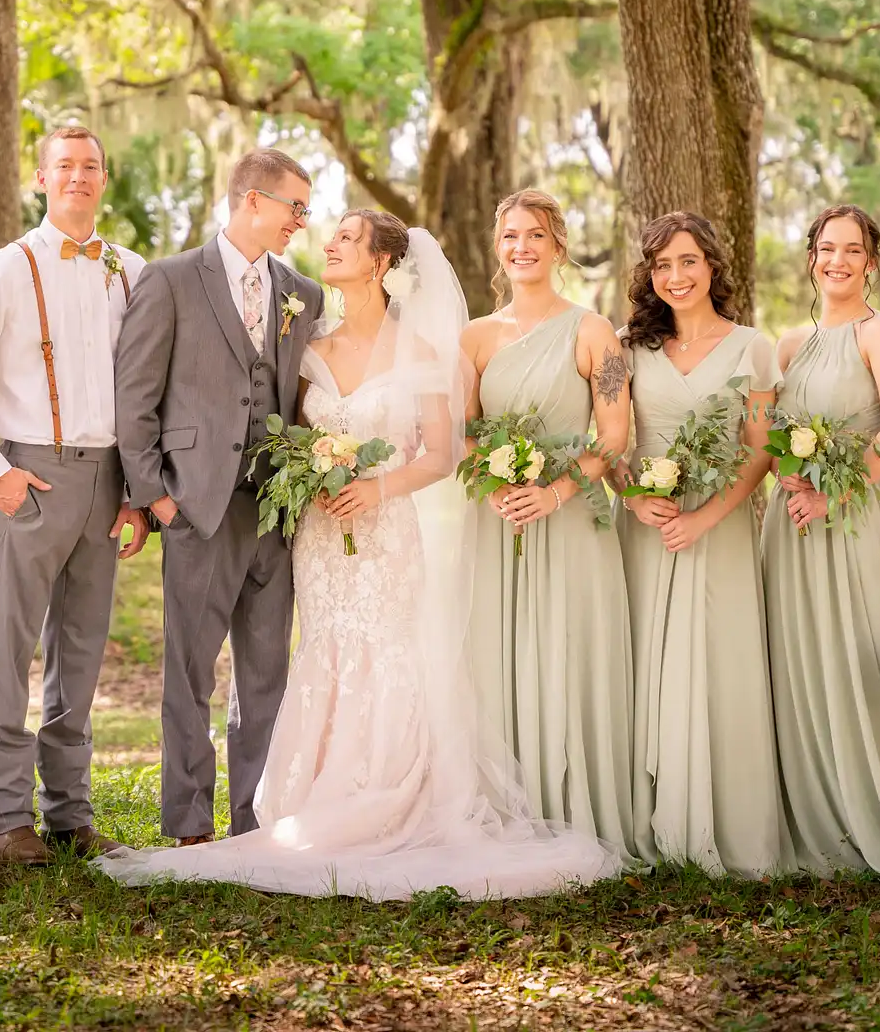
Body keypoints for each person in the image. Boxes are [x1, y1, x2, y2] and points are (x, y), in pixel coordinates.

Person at [94, 215, 620, 899]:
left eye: (347, 238)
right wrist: (311, 478)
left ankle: (390, 794)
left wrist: (376, 488)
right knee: (326, 650)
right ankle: (313, 798)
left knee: (388, 651)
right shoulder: (304, 342)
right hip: (317, 535)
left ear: (381, 264)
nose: (330, 245)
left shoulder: (426, 348)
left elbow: (440, 451)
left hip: (385, 531)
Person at [0, 124, 151, 865]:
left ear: (104, 180)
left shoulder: (130, 270)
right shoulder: (9, 266)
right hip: (33, 474)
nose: (78, 177)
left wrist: (136, 490)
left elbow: (148, 389)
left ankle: (70, 814)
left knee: (80, 651)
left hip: (108, 478)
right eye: (65, 166)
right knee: (9, 647)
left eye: (91, 166)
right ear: (42, 180)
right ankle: (5, 818)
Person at [113, 149, 323, 844]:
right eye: (295, 204)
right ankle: (189, 822)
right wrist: (155, 497)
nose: (303, 218)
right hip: (197, 509)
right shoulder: (171, 280)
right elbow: (135, 396)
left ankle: (254, 821)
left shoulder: (304, 293)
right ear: (252, 201)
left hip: (277, 515)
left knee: (267, 677)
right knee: (189, 675)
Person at [460, 190, 638, 861]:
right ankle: (507, 806)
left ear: (558, 244)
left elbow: (615, 437)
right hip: (499, 519)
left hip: (570, 522)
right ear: (498, 247)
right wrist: (503, 484)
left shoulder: (597, 335)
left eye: (535, 235)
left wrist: (556, 492)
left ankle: (573, 805)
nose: (522, 248)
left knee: (567, 649)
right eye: (510, 237)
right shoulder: (474, 337)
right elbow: (462, 432)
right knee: (497, 654)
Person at [617, 212, 786, 878]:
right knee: (648, 661)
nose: (676, 277)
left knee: (719, 663)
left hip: (720, 531)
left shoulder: (754, 348)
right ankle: (646, 816)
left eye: (688, 262)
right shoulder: (625, 350)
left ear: (713, 266)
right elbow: (611, 440)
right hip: (648, 527)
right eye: (662, 266)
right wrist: (632, 494)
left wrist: (708, 517)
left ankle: (725, 822)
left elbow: (761, 450)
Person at [761, 206, 880, 880]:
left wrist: (836, 491)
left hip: (852, 519)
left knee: (865, 660)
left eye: (852, 250)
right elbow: (769, 437)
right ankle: (814, 815)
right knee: (799, 663)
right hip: (792, 526)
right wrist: (788, 473)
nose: (838, 261)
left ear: (871, 262)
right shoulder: (789, 345)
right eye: (827, 249)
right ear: (812, 258)